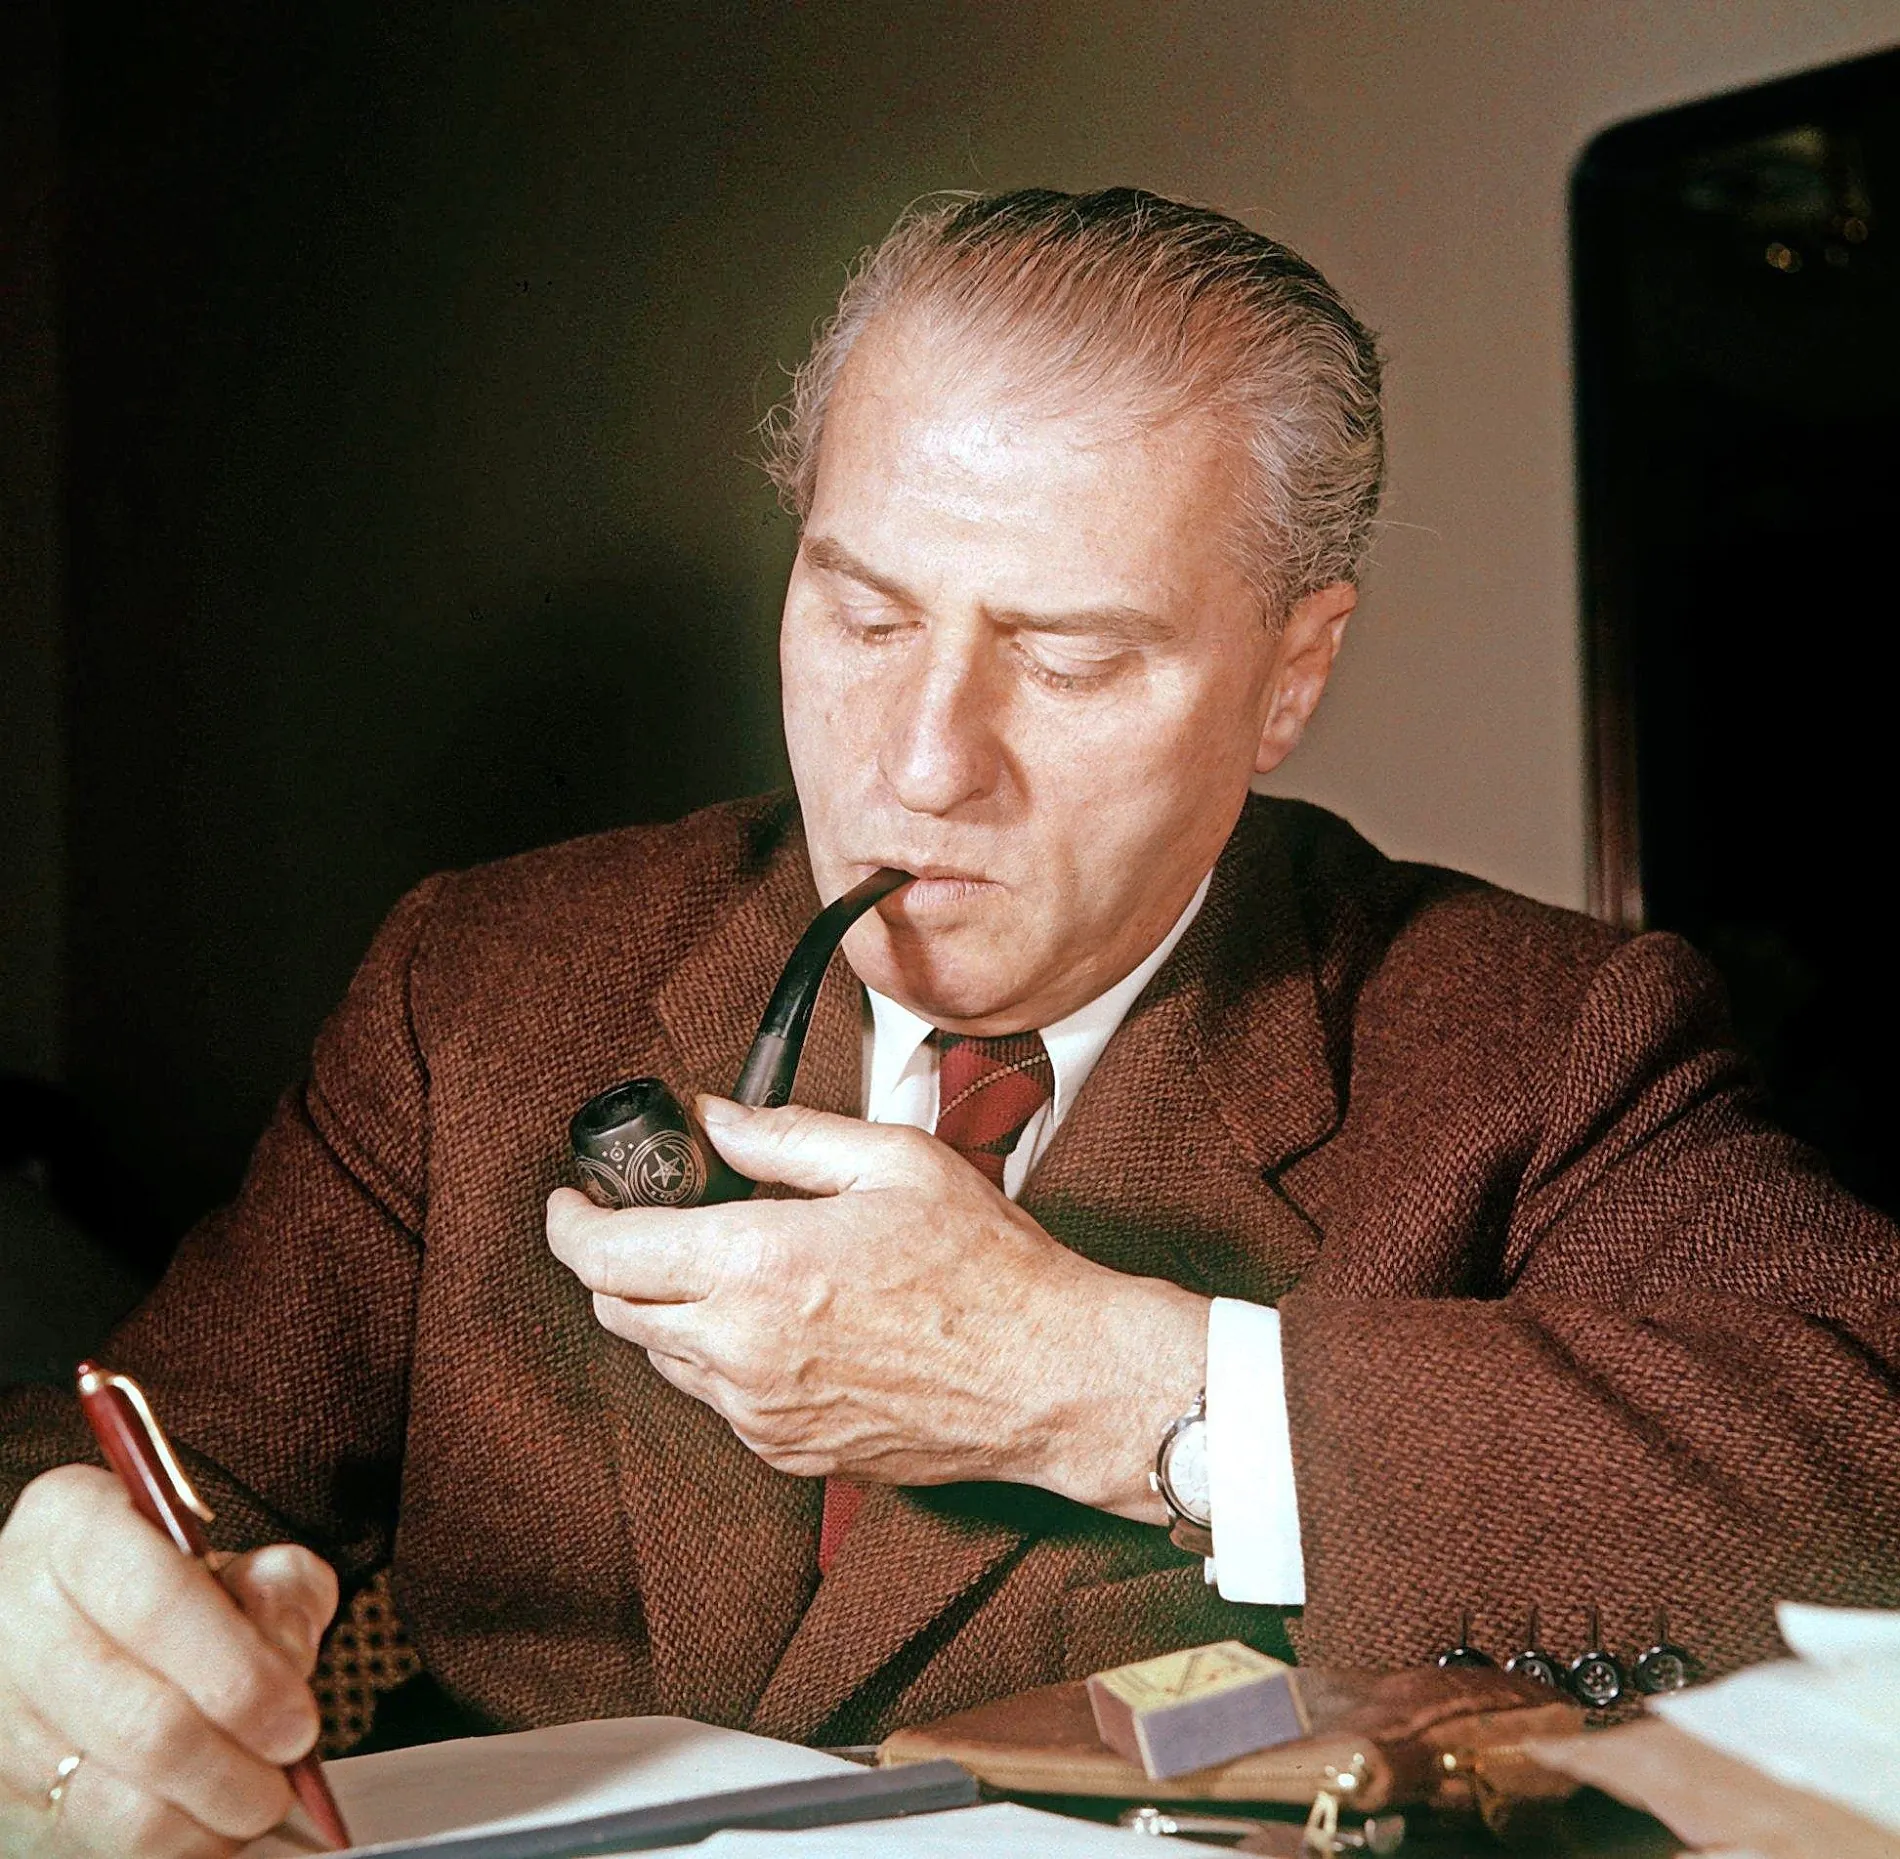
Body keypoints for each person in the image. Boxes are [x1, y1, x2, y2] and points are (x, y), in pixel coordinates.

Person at [3, 186, 1896, 1857]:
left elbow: (1867, 1470)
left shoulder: (1539, 1039)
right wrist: (55, 1630)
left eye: (1066, 659)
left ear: (1291, 675)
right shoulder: (484, 978)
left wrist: (1117, 1390)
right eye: (864, 615)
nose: (919, 765)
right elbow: (121, 1471)